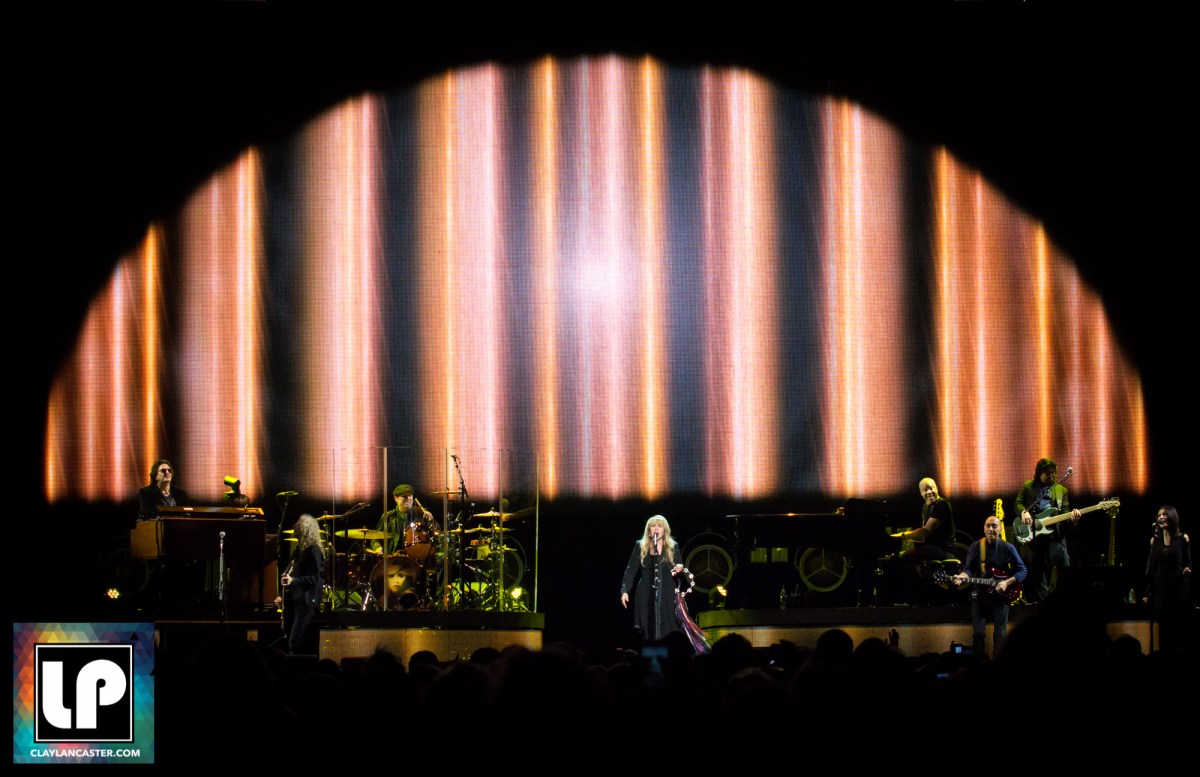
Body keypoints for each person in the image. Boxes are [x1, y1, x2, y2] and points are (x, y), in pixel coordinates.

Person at [953, 514, 1027, 658]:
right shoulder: (976, 546)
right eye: (988, 526)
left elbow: (1022, 570)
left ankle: (999, 664)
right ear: (984, 528)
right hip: (980, 595)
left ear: (1000, 529)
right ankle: (979, 664)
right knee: (978, 633)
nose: (991, 529)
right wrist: (962, 577)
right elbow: (969, 569)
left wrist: (1006, 582)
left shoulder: (1008, 548)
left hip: (1001, 596)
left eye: (994, 526)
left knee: (1001, 633)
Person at [1015, 457, 1080, 603]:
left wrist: (1073, 519)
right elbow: (1017, 504)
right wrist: (1024, 512)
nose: (1051, 476)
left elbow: (1065, 515)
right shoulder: (1028, 486)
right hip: (1035, 537)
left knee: (1064, 566)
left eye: (1053, 473)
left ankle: (1065, 600)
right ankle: (1042, 603)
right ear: (1039, 474)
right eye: (1047, 473)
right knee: (1037, 572)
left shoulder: (1061, 490)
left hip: (1054, 537)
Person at [620, 515, 684, 643]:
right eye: (653, 526)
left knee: (668, 626)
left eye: (660, 526)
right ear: (649, 531)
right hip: (645, 593)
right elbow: (631, 569)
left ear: (664, 531)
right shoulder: (640, 546)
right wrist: (625, 590)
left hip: (667, 592)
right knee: (647, 628)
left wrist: (679, 569)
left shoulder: (673, 546)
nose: (656, 529)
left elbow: (680, 568)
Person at [1143, 505, 1193, 652]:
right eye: (1159, 515)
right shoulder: (1154, 541)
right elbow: (1152, 568)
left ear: (1172, 517)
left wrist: (1187, 569)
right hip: (1161, 590)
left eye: (1164, 514)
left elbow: (1188, 561)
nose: (1161, 517)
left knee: (1178, 627)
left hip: (1178, 588)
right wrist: (1147, 592)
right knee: (1163, 629)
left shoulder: (1182, 538)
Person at [281, 514, 324, 654]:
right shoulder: (297, 552)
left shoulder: (313, 551)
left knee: (295, 641)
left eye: (298, 524)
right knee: (290, 638)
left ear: (306, 529)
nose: (294, 526)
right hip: (296, 601)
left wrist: (293, 580)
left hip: (306, 603)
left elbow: (315, 578)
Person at [372, 484, 433, 556]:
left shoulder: (421, 513)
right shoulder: (388, 516)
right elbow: (374, 538)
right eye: (404, 496)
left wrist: (431, 520)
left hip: (416, 557)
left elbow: (435, 533)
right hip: (393, 557)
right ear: (396, 498)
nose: (408, 498)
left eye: (410, 495)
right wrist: (377, 547)